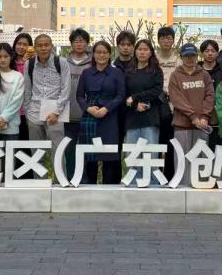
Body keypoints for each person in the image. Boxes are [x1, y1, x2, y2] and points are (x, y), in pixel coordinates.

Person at [76, 41, 125, 184]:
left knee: (109, 156)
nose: (101, 55)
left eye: (105, 52)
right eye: (98, 52)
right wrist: (88, 108)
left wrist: (106, 109)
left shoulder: (116, 72)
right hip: (90, 117)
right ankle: (90, 188)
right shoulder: (86, 73)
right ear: (93, 54)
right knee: (90, 157)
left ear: (110, 54)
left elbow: (121, 95)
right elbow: (79, 96)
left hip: (110, 118)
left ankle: (109, 189)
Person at [168, 43, 215, 184]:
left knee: (201, 161)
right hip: (182, 125)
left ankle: (200, 189)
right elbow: (176, 98)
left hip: (202, 125)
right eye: (186, 56)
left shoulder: (204, 75)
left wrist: (205, 116)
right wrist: (193, 116)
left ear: (197, 57)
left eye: (192, 56)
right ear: (181, 57)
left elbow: (210, 96)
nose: (189, 59)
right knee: (182, 161)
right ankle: (183, 188)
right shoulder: (175, 75)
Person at [24, 34, 71, 163]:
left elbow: (66, 89)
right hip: (34, 111)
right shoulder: (29, 64)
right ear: (35, 48)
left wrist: (57, 112)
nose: (43, 48)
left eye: (46, 45)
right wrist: (28, 112)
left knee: (58, 152)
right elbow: (27, 90)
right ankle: (39, 177)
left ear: (51, 46)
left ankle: (59, 176)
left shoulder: (61, 62)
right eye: (40, 45)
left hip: (56, 111)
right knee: (36, 154)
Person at [63, 28, 94, 180]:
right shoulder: (63, 62)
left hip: (87, 114)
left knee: (87, 151)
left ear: (87, 43)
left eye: (82, 41)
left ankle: (85, 182)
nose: (79, 44)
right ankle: (70, 180)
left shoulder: (93, 63)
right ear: (71, 43)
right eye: (76, 41)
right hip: (66, 115)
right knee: (69, 151)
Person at [123, 39, 164, 146]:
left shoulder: (156, 70)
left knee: (150, 154)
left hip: (150, 118)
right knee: (132, 154)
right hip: (132, 118)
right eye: (139, 49)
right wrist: (135, 104)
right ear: (135, 51)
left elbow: (156, 90)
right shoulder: (129, 71)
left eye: (145, 49)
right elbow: (124, 94)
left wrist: (135, 97)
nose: (142, 52)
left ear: (151, 52)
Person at [155, 26, 180, 179]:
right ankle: (156, 177)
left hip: (174, 109)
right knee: (156, 143)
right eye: (163, 38)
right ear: (158, 40)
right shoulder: (152, 59)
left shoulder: (179, 60)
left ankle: (170, 177)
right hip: (155, 108)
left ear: (173, 40)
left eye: (169, 38)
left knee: (172, 144)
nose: (166, 41)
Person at [198, 38, 222, 147]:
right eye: (207, 51)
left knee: (217, 147)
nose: (210, 53)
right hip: (199, 115)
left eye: (213, 51)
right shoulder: (196, 71)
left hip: (219, 116)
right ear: (202, 53)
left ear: (217, 53)